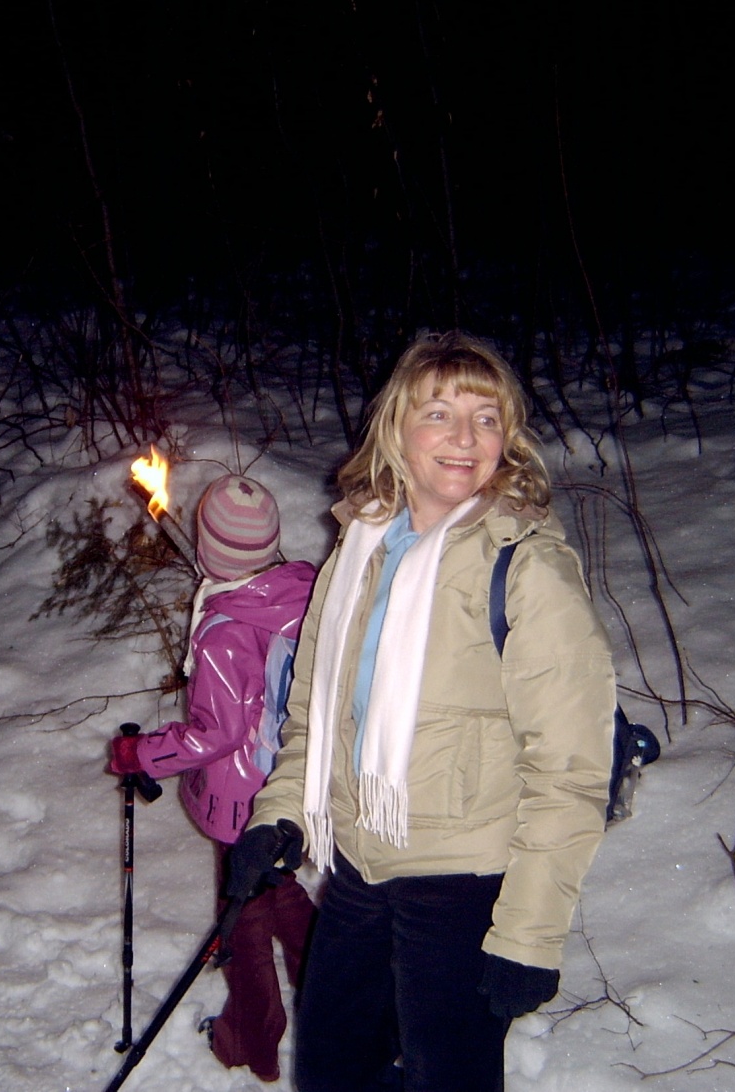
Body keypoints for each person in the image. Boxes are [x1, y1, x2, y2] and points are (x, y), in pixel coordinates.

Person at [230, 334, 615, 1091]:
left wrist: (528, 934)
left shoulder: (526, 567)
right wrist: (282, 816)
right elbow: (314, 710)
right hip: (358, 865)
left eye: (486, 417)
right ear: (397, 427)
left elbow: (570, 767)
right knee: (332, 1071)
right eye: (440, 413)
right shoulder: (361, 547)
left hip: (462, 880)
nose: (465, 439)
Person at [109, 474, 317, 1083]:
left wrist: (141, 755)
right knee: (282, 893)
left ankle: (250, 1040)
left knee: (242, 923)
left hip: (242, 800)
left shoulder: (228, 631)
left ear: (209, 551)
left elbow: (213, 734)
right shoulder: (296, 590)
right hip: (288, 788)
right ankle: (342, 1000)